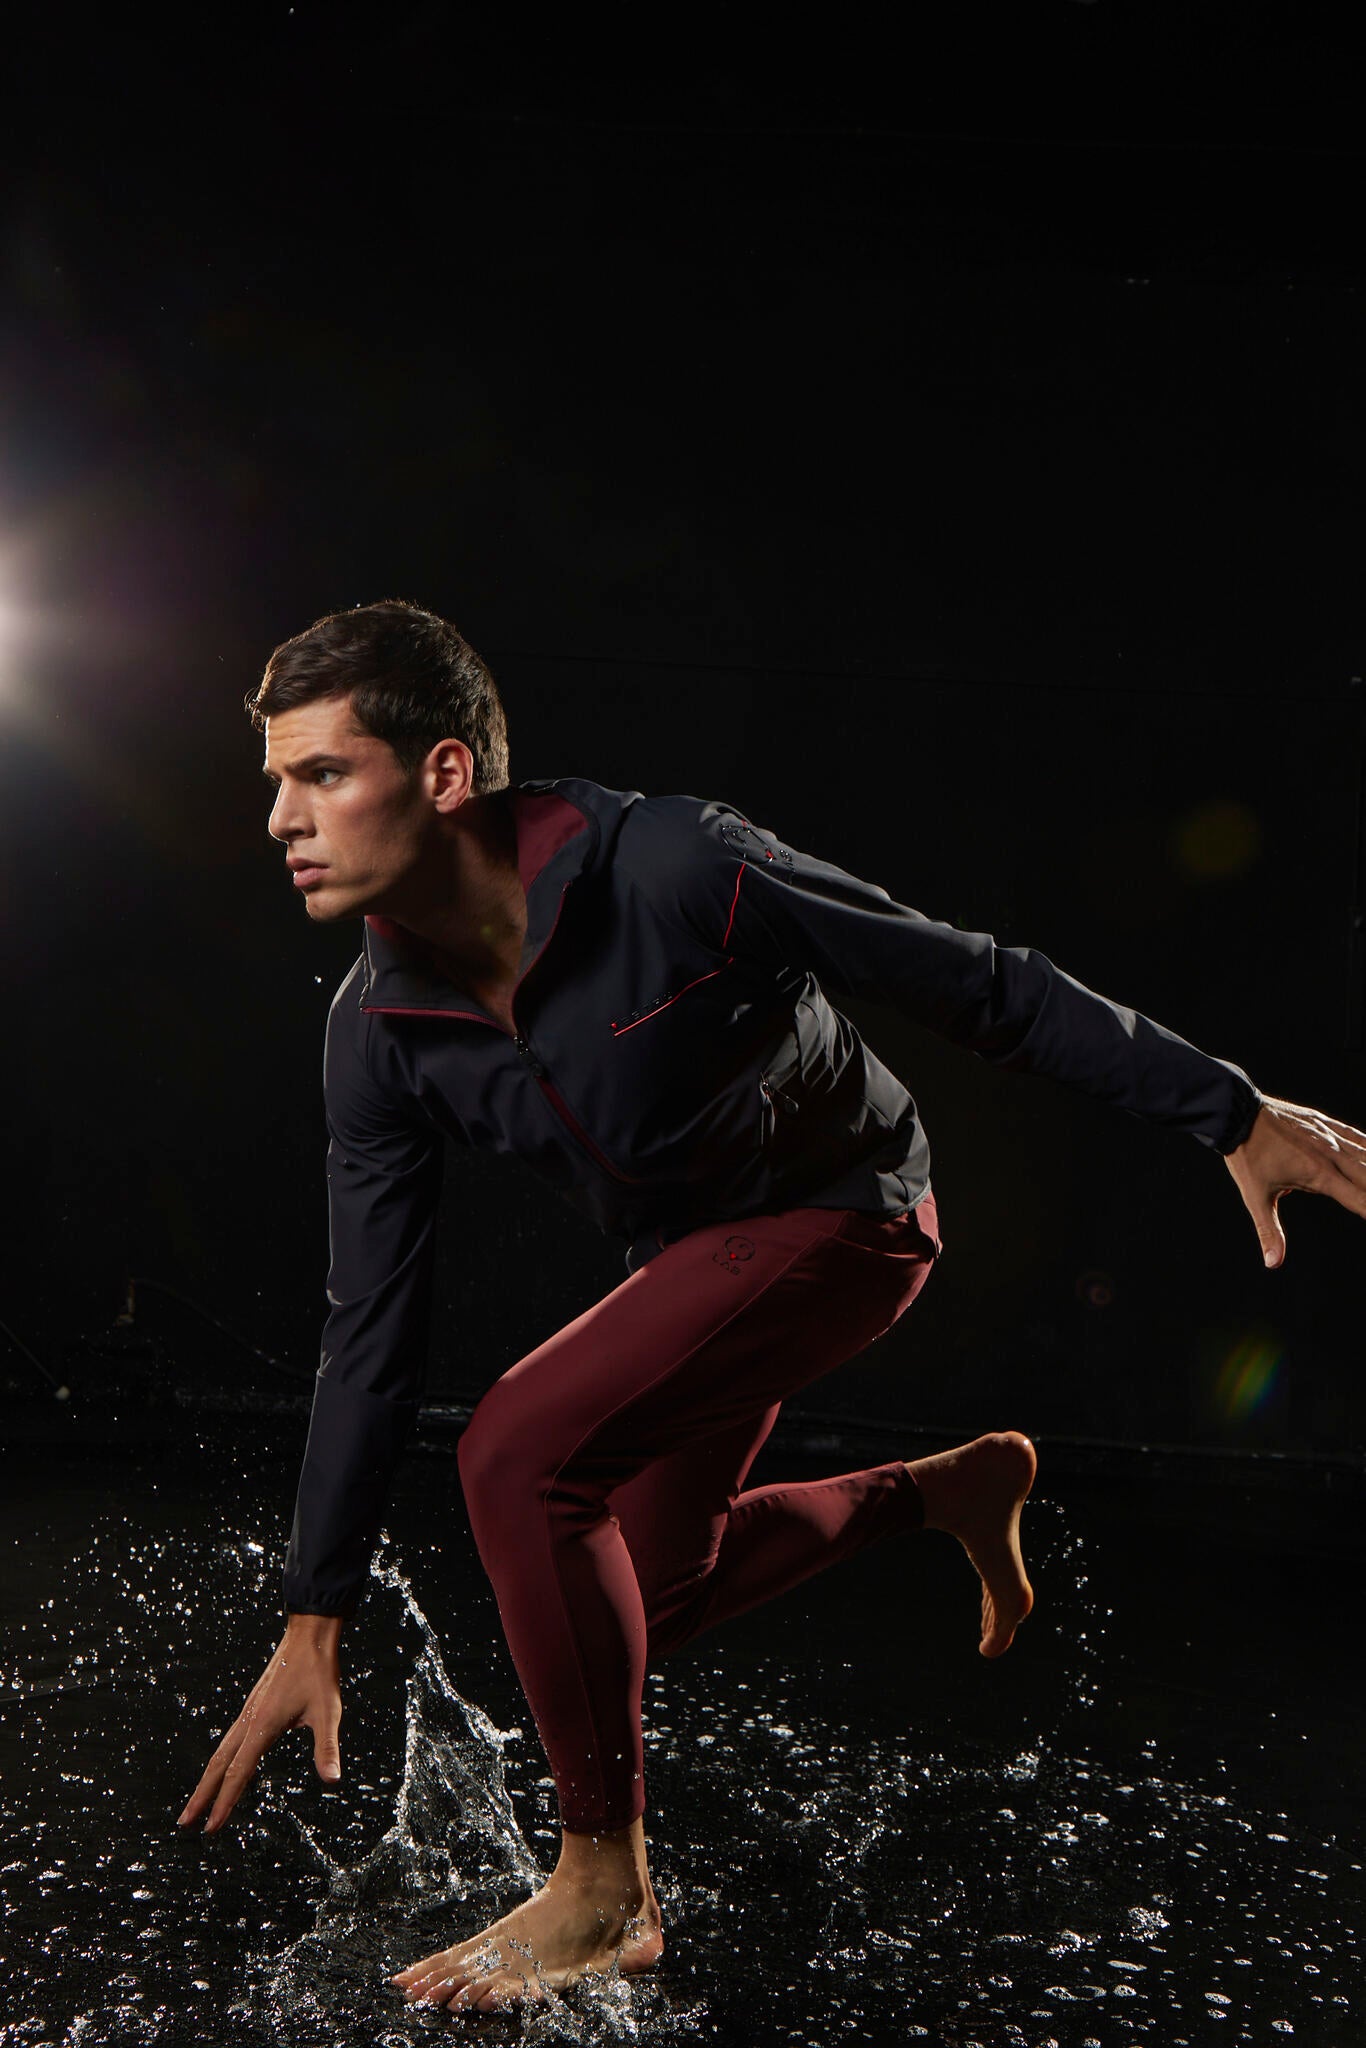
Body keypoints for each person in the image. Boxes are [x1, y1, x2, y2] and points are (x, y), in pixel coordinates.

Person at [177, 600, 1366, 2015]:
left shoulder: (674, 864)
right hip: (692, 1262)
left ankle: (603, 1886)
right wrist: (313, 1616)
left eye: (318, 775)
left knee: (518, 1454)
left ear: (442, 777)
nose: (278, 819)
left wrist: (1226, 1113)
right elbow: (368, 1320)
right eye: (272, 782)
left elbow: (975, 981)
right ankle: (947, 1493)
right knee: (643, 1598)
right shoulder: (376, 1034)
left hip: (850, 1218)